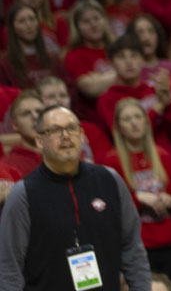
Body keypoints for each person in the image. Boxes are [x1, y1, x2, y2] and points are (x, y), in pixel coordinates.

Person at [0, 103, 153, 290]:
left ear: (81, 135)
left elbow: (133, 250)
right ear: (39, 141)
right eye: (55, 130)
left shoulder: (110, 180)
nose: (65, 136)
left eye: (71, 128)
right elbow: (9, 267)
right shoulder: (23, 194)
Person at [102, 98, 171, 290]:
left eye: (138, 117)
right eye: (127, 119)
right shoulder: (111, 161)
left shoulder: (163, 156)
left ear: (146, 121)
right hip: (139, 247)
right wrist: (137, 198)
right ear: (118, 126)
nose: (134, 123)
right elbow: (108, 208)